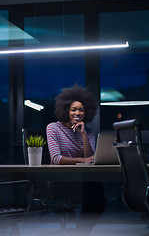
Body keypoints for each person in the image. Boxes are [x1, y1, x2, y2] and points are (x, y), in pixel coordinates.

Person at [46, 84, 107, 235]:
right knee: (94, 194)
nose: (77, 112)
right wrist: (82, 160)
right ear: (66, 109)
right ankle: (81, 232)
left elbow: (90, 158)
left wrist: (83, 134)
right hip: (61, 180)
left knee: (100, 198)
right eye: (73, 109)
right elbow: (56, 159)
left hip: (82, 179)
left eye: (81, 109)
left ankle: (80, 231)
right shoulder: (53, 128)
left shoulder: (89, 132)